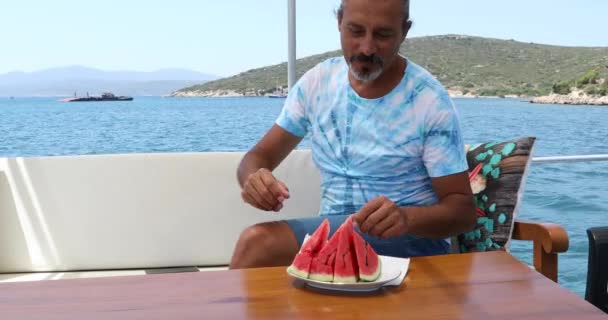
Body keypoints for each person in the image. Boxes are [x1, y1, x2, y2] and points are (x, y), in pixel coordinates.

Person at [229, 0, 476, 269]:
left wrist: (406, 218)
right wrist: (253, 179)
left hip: (411, 246)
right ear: (338, 22)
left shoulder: (429, 100)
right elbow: (259, 155)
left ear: (404, 31)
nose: (367, 48)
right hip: (334, 240)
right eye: (355, 31)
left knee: (259, 243)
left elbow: (462, 211)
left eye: (382, 34)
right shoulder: (317, 83)